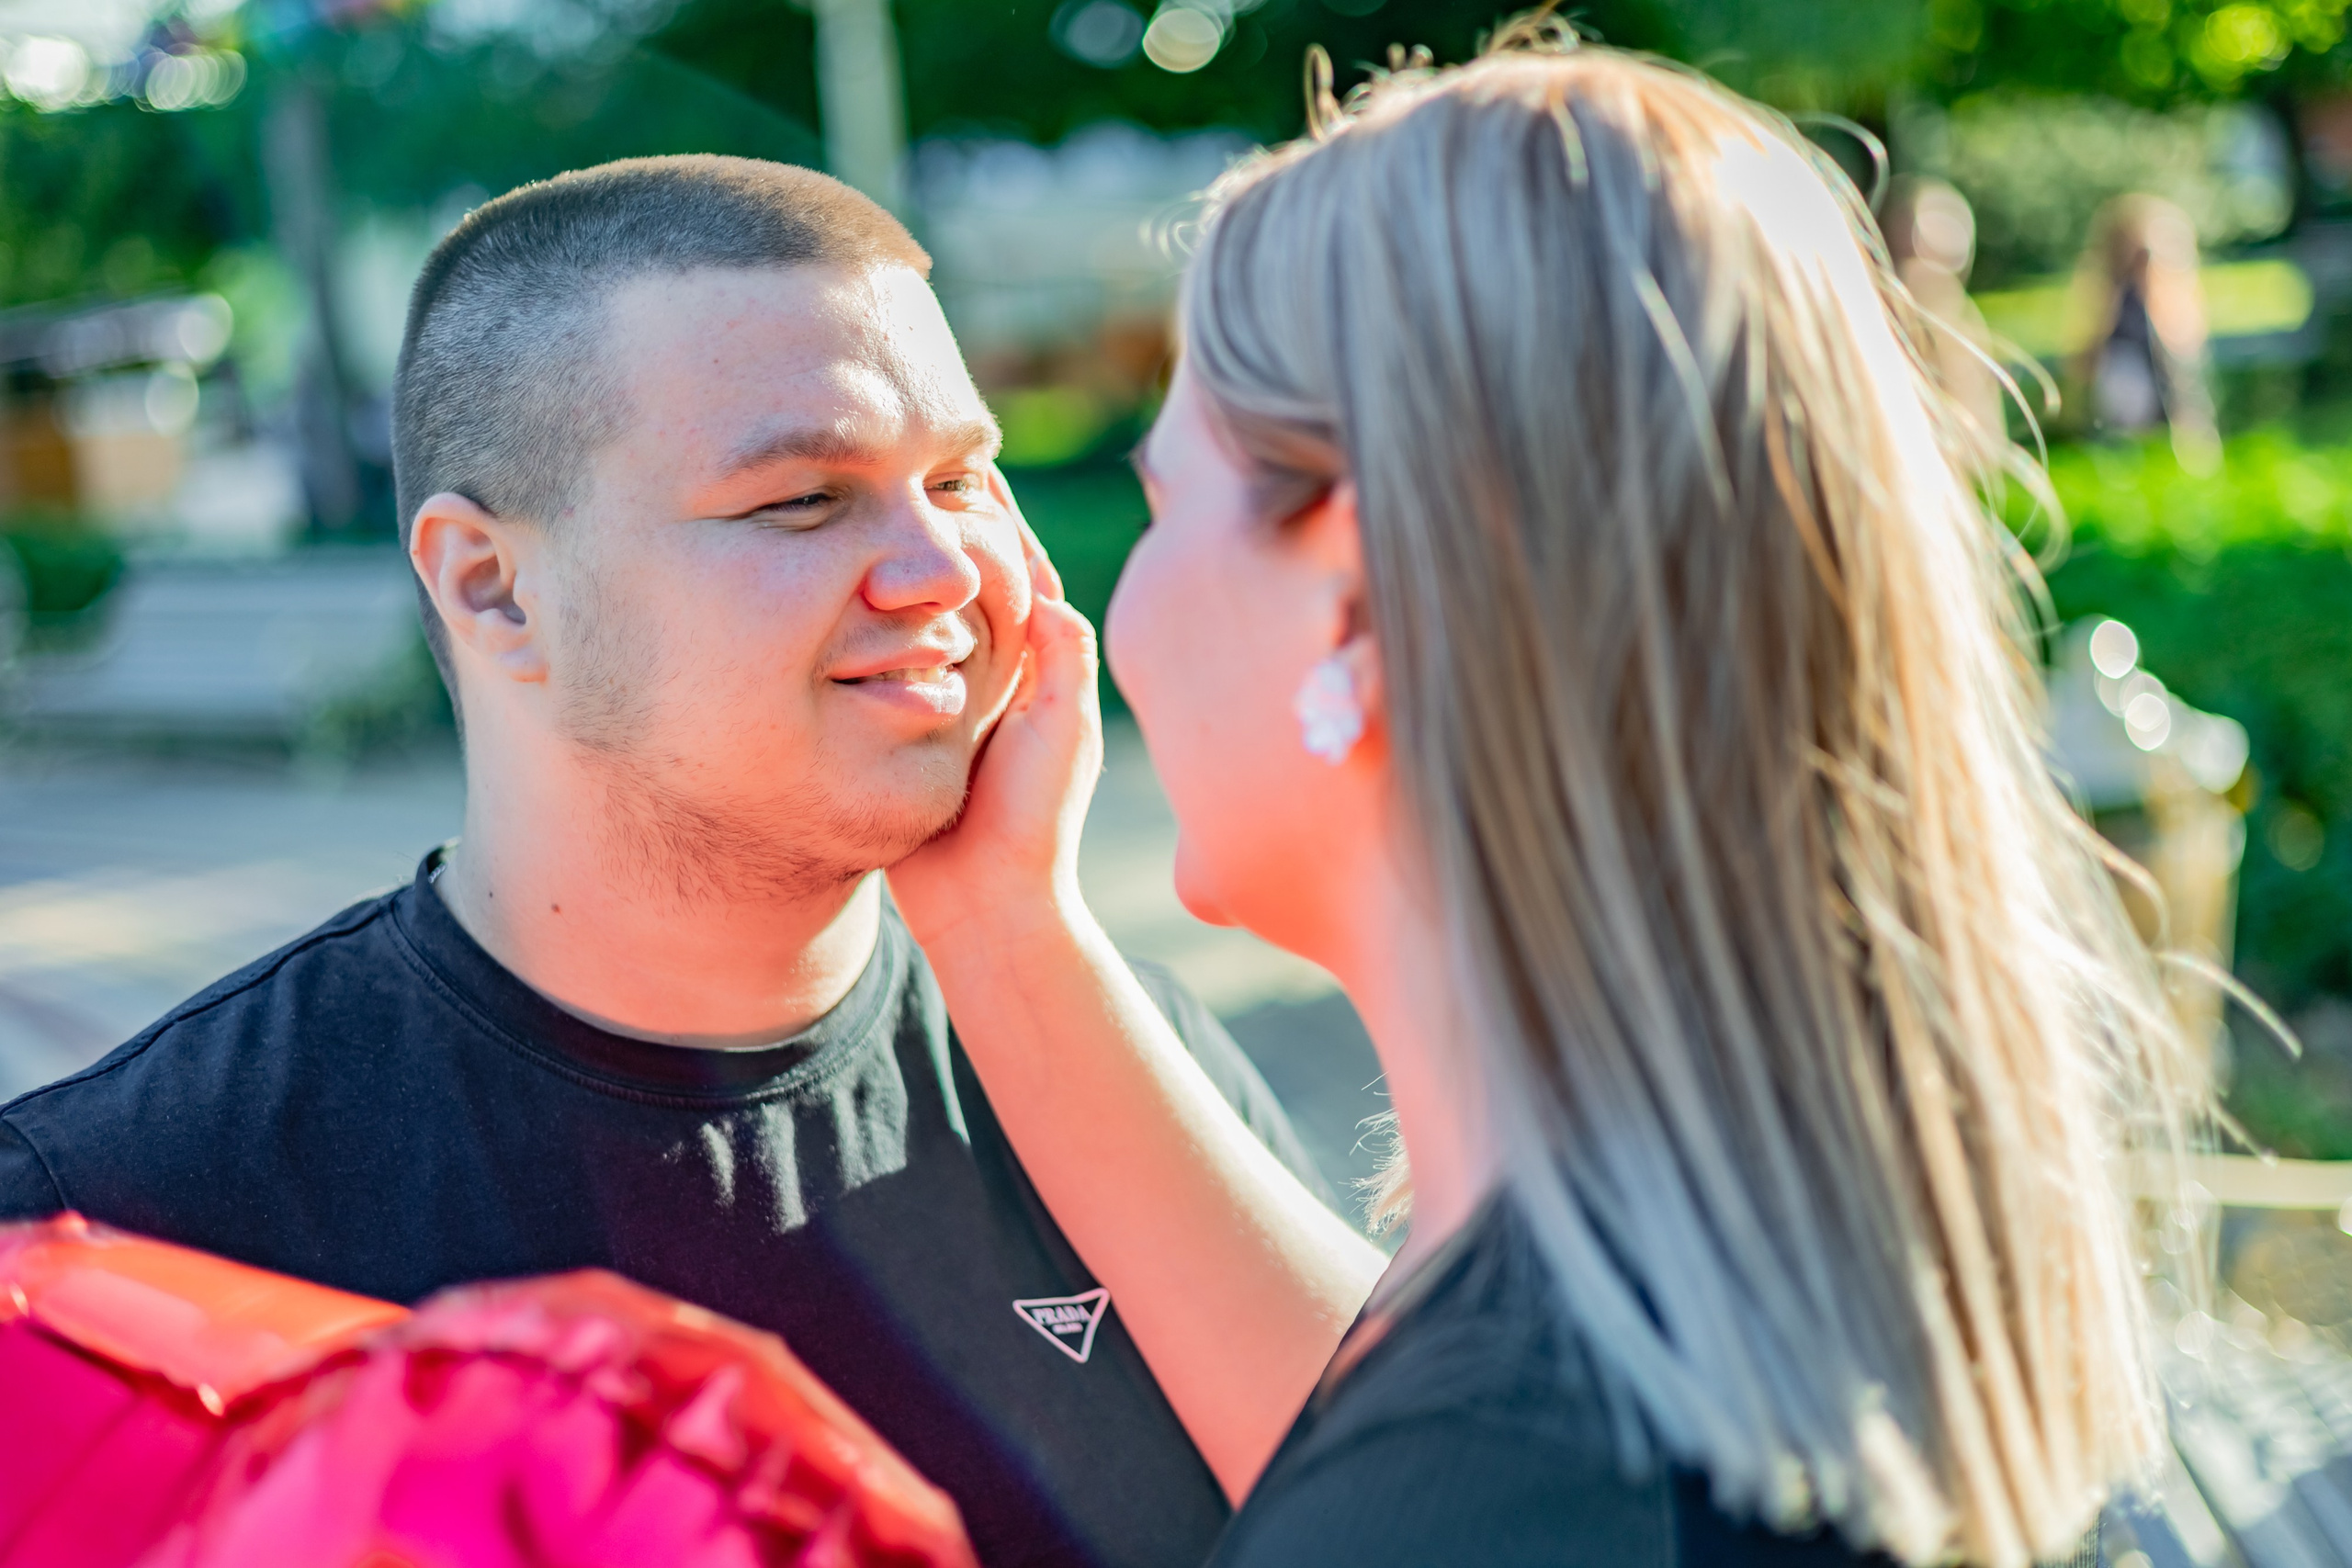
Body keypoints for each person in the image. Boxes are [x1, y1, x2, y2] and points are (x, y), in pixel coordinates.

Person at [933, 27, 2209, 1568]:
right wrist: (1006, 929)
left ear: (1354, 594)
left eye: (1162, 501)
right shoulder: (1786, 1293)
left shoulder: (1493, 1493)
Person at [0, 156, 1381, 1568]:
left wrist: (1021, 934)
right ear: (492, 585)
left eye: (961, 477)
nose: (944, 570)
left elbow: (1441, 1504)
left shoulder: (1128, 1062)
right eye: (804, 498)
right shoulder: (114, 1219)